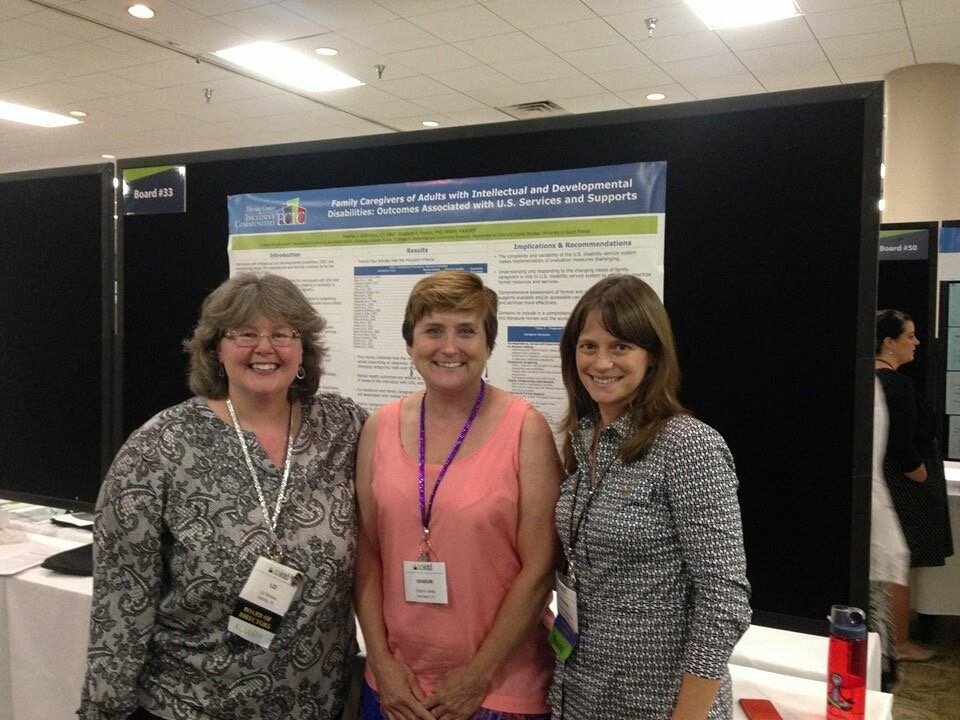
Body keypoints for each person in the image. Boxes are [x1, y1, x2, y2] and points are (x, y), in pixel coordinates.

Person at [79, 273, 367, 720]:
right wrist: (105, 708)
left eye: (282, 334)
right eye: (245, 334)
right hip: (191, 703)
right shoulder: (160, 447)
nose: (265, 348)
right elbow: (121, 601)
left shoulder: (342, 429)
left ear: (303, 350)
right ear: (216, 349)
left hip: (316, 702)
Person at [355, 270, 561, 720]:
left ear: (489, 344)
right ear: (410, 343)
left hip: (499, 687)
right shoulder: (379, 427)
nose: (449, 347)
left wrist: (477, 675)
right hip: (397, 685)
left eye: (466, 331)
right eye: (433, 330)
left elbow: (540, 567)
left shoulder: (525, 430)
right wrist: (382, 662)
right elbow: (367, 553)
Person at [552, 275, 751, 720]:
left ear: (653, 355)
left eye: (620, 346)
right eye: (588, 346)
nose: (601, 362)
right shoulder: (583, 438)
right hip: (581, 692)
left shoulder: (687, 445)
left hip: (658, 704)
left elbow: (724, 600)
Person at [875, 309, 954, 662]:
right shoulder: (897, 386)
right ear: (889, 342)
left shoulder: (872, 381)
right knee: (899, 560)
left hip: (888, 481)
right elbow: (901, 443)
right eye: (909, 336)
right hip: (903, 485)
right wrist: (920, 473)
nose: (917, 342)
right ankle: (899, 640)